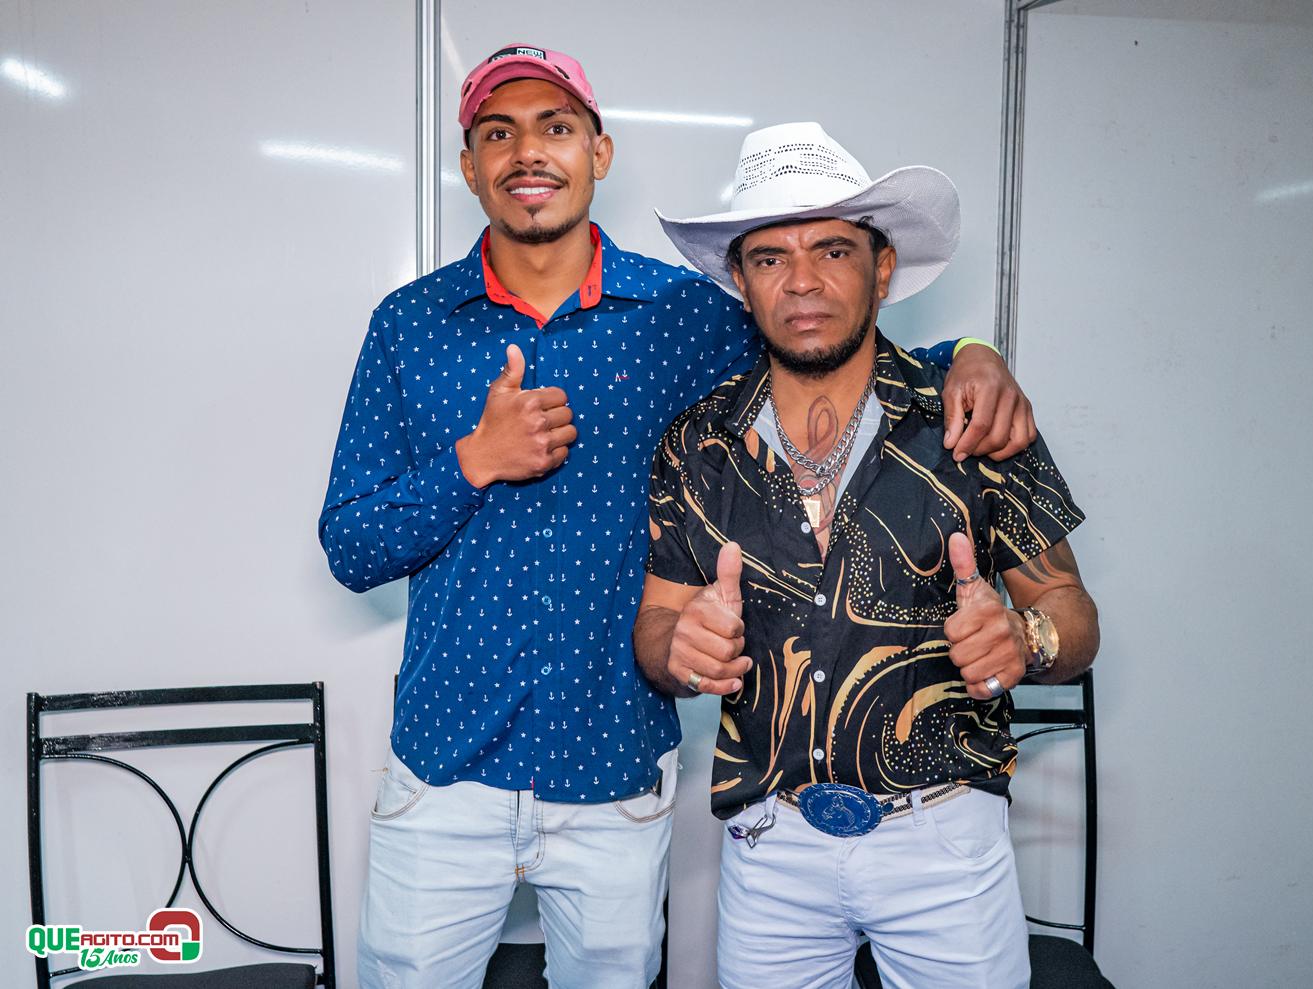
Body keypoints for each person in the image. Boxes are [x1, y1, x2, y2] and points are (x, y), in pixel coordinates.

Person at [319, 45, 1038, 989]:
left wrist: (970, 351)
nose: (527, 152)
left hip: (613, 772)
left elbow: (825, 339)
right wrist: (472, 464)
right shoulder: (408, 324)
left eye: (555, 127)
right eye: (498, 132)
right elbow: (351, 545)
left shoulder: (683, 314)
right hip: (443, 769)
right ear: (469, 166)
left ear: (599, 153)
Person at [635, 122, 1100, 989]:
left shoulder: (971, 423)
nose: (802, 279)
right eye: (770, 257)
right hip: (769, 846)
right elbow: (657, 625)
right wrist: (677, 648)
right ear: (741, 281)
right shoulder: (696, 445)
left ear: (882, 268)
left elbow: (1073, 609)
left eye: (833, 249)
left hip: (943, 840)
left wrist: (1027, 636)